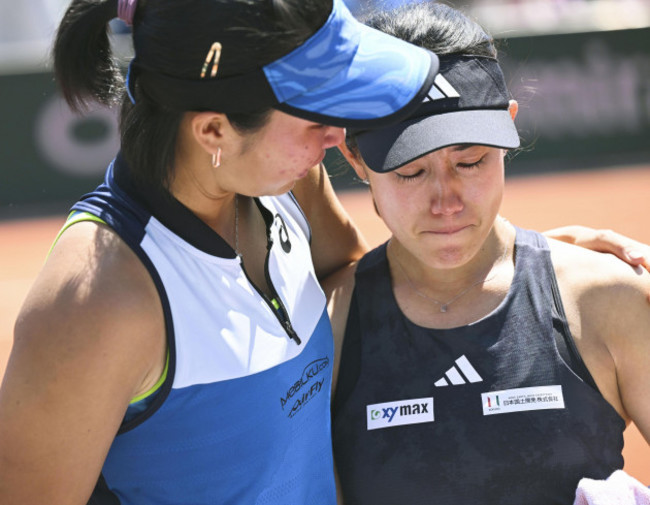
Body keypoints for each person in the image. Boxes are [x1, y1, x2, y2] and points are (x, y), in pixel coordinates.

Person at [0, 0, 444, 503]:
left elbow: (348, 279)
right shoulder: (97, 303)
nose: (336, 132)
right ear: (214, 131)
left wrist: (518, 265)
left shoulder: (292, 180)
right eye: (312, 113)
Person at [326, 3, 650, 504]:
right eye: (411, 171)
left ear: (509, 129)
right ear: (355, 158)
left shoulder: (606, 299)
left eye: (472, 160)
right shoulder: (328, 326)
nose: (447, 201)